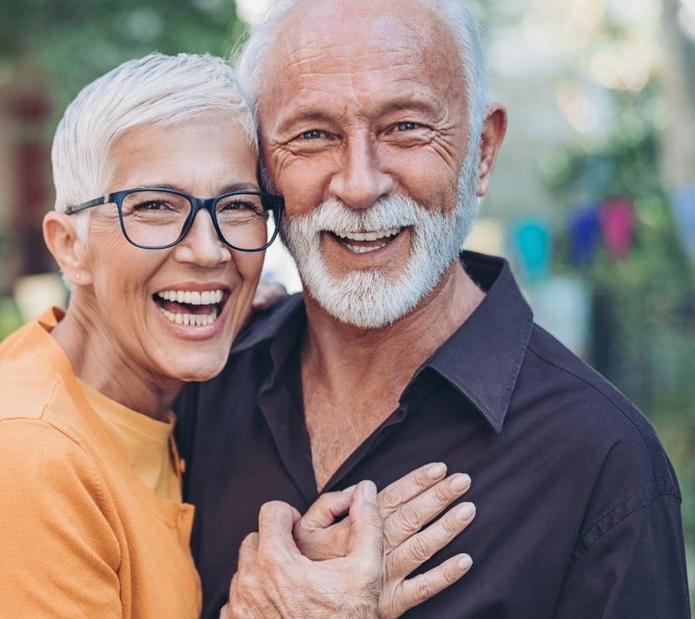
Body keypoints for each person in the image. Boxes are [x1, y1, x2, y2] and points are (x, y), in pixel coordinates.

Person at [0, 52, 473, 618]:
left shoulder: (146, 396)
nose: (209, 251)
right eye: (156, 208)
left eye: (237, 207)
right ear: (69, 247)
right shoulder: (29, 459)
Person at [175, 0, 692, 617]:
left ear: (484, 152)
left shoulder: (600, 458)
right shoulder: (202, 383)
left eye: (406, 127)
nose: (360, 184)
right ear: (260, 165)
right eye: (312, 134)